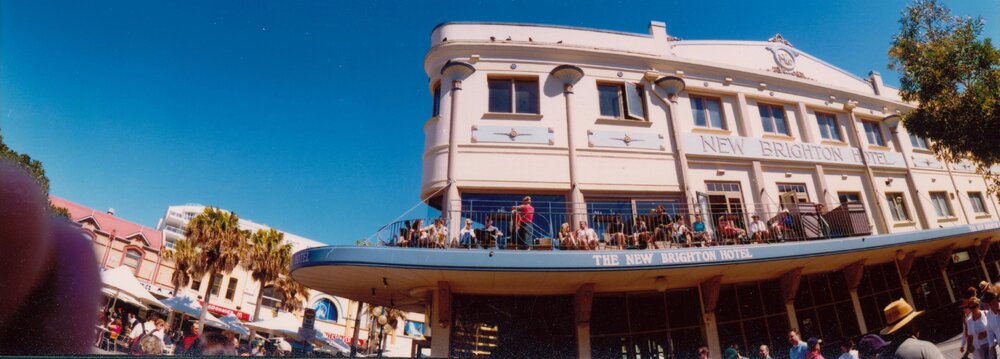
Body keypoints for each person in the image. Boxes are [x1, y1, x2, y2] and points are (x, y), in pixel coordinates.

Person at [879, 298, 945, 359]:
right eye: (916, 320)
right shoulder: (925, 348)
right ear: (911, 324)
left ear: (892, 331)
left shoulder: (882, 356)